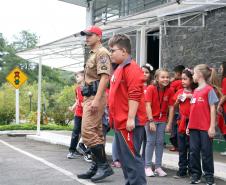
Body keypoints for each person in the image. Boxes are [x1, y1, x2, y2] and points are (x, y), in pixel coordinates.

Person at [108, 34, 147, 185]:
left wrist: (131, 118)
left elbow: (135, 94)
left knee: (132, 159)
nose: (110, 53)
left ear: (123, 51)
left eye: (113, 50)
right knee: (125, 160)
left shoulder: (132, 68)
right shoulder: (119, 69)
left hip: (128, 122)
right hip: (120, 122)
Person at [77, 25, 113, 182]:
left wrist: (97, 100)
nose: (87, 38)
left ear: (98, 37)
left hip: (95, 97)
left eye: (90, 35)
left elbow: (105, 77)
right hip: (89, 97)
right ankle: (96, 166)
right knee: (97, 134)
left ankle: (104, 166)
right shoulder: (92, 54)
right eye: (86, 35)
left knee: (87, 132)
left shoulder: (102, 53)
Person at [186, 64, 218, 185]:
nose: (193, 76)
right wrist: (189, 125)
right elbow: (192, 111)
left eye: (194, 73)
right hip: (194, 128)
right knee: (193, 152)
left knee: (206, 152)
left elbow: (213, 109)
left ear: (199, 75)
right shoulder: (195, 91)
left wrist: (211, 127)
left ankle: (209, 176)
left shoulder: (209, 90)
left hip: (205, 128)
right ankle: (195, 175)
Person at [145, 68, 174, 177]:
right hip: (151, 119)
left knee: (160, 143)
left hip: (162, 120)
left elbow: (171, 108)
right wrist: (151, 121)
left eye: (167, 77)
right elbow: (147, 105)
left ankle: (158, 167)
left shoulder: (170, 90)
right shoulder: (151, 88)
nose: (165, 79)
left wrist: (169, 123)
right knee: (150, 142)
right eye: (163, 77)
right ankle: (147, 166)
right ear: (156, 78)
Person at [173, 68, 196, 179]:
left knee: (192, 148)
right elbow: (175, 107)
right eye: (181, 79)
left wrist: (190, 96)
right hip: (181, 122)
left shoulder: (196, 92)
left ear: (191, 80)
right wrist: (178, 101)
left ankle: (192, 170)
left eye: (185, 79)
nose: (182, 81)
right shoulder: (179, 92)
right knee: (182, 148)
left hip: (192, 122)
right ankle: (182, 170)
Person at [67, 71, 85, 159]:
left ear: (83, 77)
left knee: (85, 133)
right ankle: (72, 151)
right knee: (75, 132)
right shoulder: (77, 89)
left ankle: (83, 149)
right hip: (78, 113)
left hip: (87, 114)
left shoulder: (88, 87)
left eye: (78, 76)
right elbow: (78, 100)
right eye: (76, 77)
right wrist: (73, 107)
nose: (76, 78)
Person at [169, 65, 185, 152]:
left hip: (175, 107)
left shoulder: (175, 83)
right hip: (182, 108)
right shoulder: (182, 84)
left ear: (178, 74)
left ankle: (175, 145)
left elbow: (170, 90)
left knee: (174, 127)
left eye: (175, 73)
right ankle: (180, 145)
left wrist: (171, 81)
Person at [141, 64, 154, 160]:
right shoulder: (136, 85)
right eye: (142, 72)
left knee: (147, 139)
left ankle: (144, 159)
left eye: (147, 72)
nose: (144, 74)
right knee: (138, 139)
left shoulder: (152, 87)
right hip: (139, 116)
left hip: (148, 117)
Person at [217, 61, 226, 155]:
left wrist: (219, 104)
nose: (220, 70)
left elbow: (225, 95)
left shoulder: (225, 80)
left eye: (221, 68)